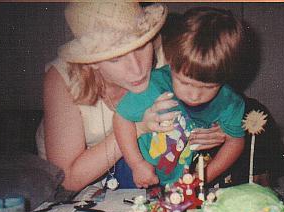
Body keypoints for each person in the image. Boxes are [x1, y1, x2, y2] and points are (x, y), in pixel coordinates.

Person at [36, 2, 227, 192]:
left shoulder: (167, 55)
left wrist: (215, 129)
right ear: (91, 62)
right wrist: (135, 129)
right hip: (76, 188)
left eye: (141, 46)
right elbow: (68, 179)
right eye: (115, 58)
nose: (137, 70)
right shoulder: (62, 79)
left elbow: (210, 101)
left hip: (147, 172)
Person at [114, 7, 245, 188]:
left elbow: (235, 142)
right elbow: (121, 118)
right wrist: (137, 164)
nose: (195, 95)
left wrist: (201, 176)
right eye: (185, 83)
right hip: (133, 169)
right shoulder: (155, 85)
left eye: (208, 87)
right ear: (171, 63)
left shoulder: (229, 103)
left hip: (178, 177)